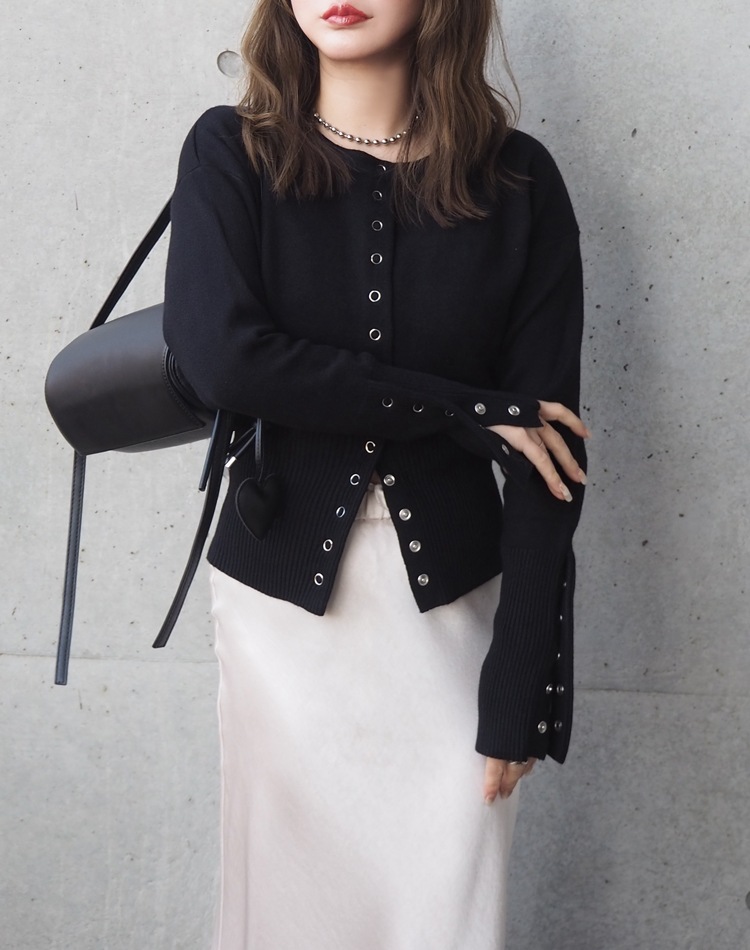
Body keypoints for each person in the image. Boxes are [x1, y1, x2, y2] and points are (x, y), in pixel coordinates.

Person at [163, 1, 588, 947]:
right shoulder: (232, 151)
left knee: (445, 912)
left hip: (457, 611)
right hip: (280, 611)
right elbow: (226, 359)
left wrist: (525, 677)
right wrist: (463, 409)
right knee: (289, 912)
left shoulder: (519, 183)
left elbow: (550, 450)